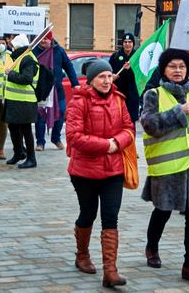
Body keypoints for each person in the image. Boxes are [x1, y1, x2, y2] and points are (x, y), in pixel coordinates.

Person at [140, 48, 189, 286]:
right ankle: (152, 247)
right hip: (166, 164)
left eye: (182, 67)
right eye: (173, 66)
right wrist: (180, 111)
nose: (178, 71)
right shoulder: (153, 94)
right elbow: (149, 124)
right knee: (162, 211)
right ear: (164, 69)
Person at [66, 59, 133, 288]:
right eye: (101, 77)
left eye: (109, 76)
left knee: (111, 216)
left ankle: (110, 271)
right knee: (88, 213)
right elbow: (74, 136)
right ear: (91, 79)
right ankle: (82, 254)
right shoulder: (79, 102)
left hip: (113, 170)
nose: (106, 81)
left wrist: (118, 141)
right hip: (84, 171)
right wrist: (107, 145)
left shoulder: (118, 99)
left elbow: (129, 128)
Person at [32, 30, 79, 151]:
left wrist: (75, 83)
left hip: (57, 88)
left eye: (46, 39)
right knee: (41, 116)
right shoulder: (34, 52)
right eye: (41, 38)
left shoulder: (59, 50)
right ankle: (40, 142)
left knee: (62, 112)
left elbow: (68, 66)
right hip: (42, 90)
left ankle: (56, 138)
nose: (43, 41)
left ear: (51, 39)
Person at [5, 34, 40, 168]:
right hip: (14, 99)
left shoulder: (27, 59)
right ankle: (18, 153)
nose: (12, 48)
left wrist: (10, 74)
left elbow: (27, 79)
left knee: (25, 130)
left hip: (25, 100)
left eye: (13, 46)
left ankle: (31, 158)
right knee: (13, 127)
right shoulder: (19, 57)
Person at [109, 33, 140, 122]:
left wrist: (131, 68)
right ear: (122, 43)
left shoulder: (137, 56)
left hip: (133, 93)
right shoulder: (115, 56)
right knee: (118, 119)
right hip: (118, 93)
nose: (127, 44)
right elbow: (108, 71)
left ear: (133, 43)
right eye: (125, 42)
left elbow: (140, 73)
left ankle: (131, 136)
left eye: (130, 42)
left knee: (131, 120)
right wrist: (111, 76)